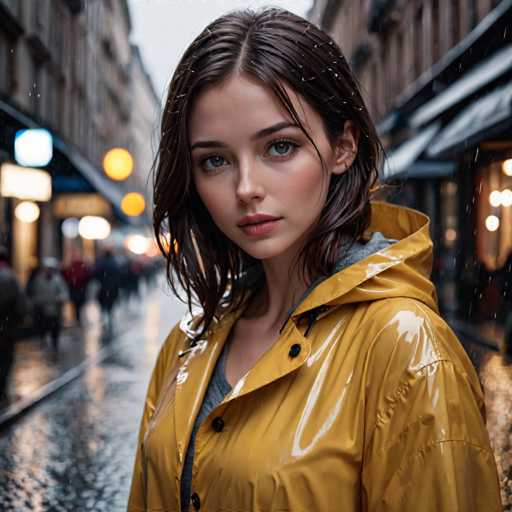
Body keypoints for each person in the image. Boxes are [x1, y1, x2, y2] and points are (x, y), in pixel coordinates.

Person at [128, 9, 502, 511]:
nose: (246, 189)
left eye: (279, 147)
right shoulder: (187, 343)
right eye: (214, 160)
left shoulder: (408, 349)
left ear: (341, 147)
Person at [0, 247, 26, 404]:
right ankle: (1, 388)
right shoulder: (11, 277)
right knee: (5, 358)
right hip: (7, 325)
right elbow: (21, 304)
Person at [29, 258, 69, 351]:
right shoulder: (38, 279)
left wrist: (60, 298)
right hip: (42, 309)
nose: (48, 270)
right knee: (42, 326)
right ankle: (43, 341)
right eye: (46, 268)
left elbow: (64, 292)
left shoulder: (58, 280)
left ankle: (54, 343)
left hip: (54, 309)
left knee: (55, 328)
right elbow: (34, 292)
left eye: (50, 268)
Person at [93, 248, 121, 334]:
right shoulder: (114, 263)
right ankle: (109, 318)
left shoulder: (102, 263)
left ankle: (104, 319)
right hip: (112, 287)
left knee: (103, 304)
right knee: (110, 304)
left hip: (104, 287)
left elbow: (95, 273)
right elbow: (119, 275)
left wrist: (101, 280)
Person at [62, 252, 91, 325]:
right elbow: (87, 276)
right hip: (80, 289)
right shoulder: (82, 266)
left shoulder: (72, 266)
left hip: (75, 289)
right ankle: (79, 318)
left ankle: (77, 318)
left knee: (76, 305)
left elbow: (67, 276)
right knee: (79, 305)